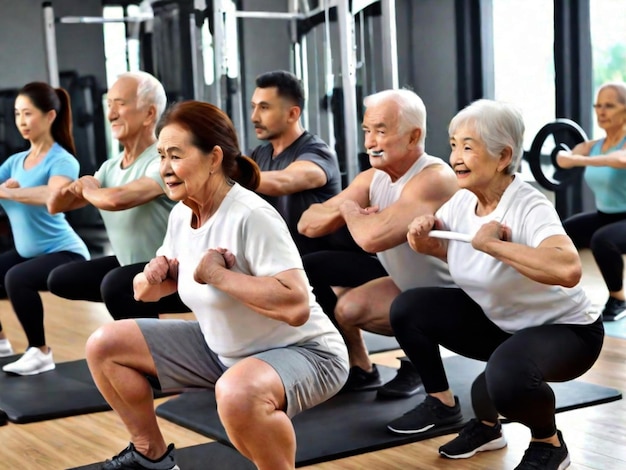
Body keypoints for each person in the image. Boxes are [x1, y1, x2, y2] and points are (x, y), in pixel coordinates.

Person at [85, 100, 349, 470]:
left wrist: (218, 275)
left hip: (306, 351)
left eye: (175, 156)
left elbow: (296, 306)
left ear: (213, 158)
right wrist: (152, 277)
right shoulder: (181, 213)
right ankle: (150, 456)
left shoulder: (251, 215)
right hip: (223, 349)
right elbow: (148, 293)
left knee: (237, 393)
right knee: (105, 344)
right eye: (161, 156)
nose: (165, 169)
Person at [386, 99, 603, 470]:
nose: (455, 156)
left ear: (503, 156)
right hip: (504, 324)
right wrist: (427, 243)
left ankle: (549, 445)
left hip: (569, 332)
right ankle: (460, 413)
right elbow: (467, 257)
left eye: (468, 147)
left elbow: (568, 269)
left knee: (504, 377)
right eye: (454, 144)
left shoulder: (529, 206)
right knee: (410, 308)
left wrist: (496, 245)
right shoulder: (460, 203)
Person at [297, 89, 458, 399]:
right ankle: (356, 365)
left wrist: (346, 211)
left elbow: (371, 238)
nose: (369, 142)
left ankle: (424, 372)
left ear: (413, 137)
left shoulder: (433, 178)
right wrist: (350, 210)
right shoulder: (374, 178)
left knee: (407, 308)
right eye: (367, 131)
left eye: (381, 131)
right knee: (347, 307)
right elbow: (308, 223)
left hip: (460, 296)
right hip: (409, 286)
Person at [47, 71, 189, 320]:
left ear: (149, 114)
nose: (111, 114)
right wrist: (72, 188)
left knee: (115, 285)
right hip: (132, 265)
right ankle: (143, 318)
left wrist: (89, 188)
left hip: (175, 270)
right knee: (61, 279)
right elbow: (55, 205)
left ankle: (143, 340)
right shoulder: (110, 167)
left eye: (120, 105)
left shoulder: (162, 161)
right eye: (109, 105)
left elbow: (116, 199)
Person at [0, 82, 90, 375]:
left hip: (64, 252)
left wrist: (10, 192)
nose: (21, 122)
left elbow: (53, 196)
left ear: (50, 116)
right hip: (29, 252)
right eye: (17, 114)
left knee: (16, 278)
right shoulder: (15, 162)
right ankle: (1, 343)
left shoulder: (62, 160)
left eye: (28, 113)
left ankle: (39, 352)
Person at [250, 70, 353, 255]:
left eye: (264, 108)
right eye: (254, 107)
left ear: (292, 114)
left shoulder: (318, 152)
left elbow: (285, 181)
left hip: (316, 269)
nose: (254, 117)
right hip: (277, 263)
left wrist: (230, 173)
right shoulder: (259, 155)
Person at [557, 81, 626, 321]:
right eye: (598, 105)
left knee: (603, 240)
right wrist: (569, 156)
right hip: (606, 215)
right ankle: (560, 295)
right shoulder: (594, 146)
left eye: (609, 106)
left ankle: (619, 299)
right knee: (560, 234)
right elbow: (563, 159)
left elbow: (619, 160)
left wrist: (578, 159)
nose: (601, 111)